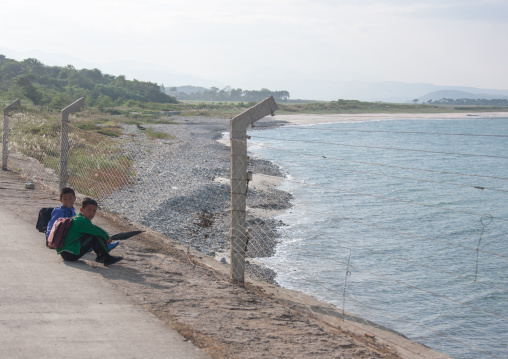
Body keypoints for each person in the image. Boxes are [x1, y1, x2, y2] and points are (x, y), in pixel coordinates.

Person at [46, 187, 118, 252]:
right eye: (65, 199)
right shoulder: (59, 211)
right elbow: (52, 225)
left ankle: (102, 246)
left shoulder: (72, 211)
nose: (68, 201)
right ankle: (104, 247)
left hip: (65, 236)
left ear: (74, 199)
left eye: (70, 198)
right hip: (57, 239)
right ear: (61, 200)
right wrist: (50, 240)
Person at [56, 197, 123, 266]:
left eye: (94, 211)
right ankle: (107, 257)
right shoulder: (82, 221)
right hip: (70, 254)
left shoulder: (77, 217)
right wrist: (107, 238)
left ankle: (100, 256)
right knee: (93, 236)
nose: (92, 213)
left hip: (66, 253)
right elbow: (97, 230)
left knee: (92, 235)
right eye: (89, 210)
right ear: (81, 209)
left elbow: (95, 229)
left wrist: (105, 237)